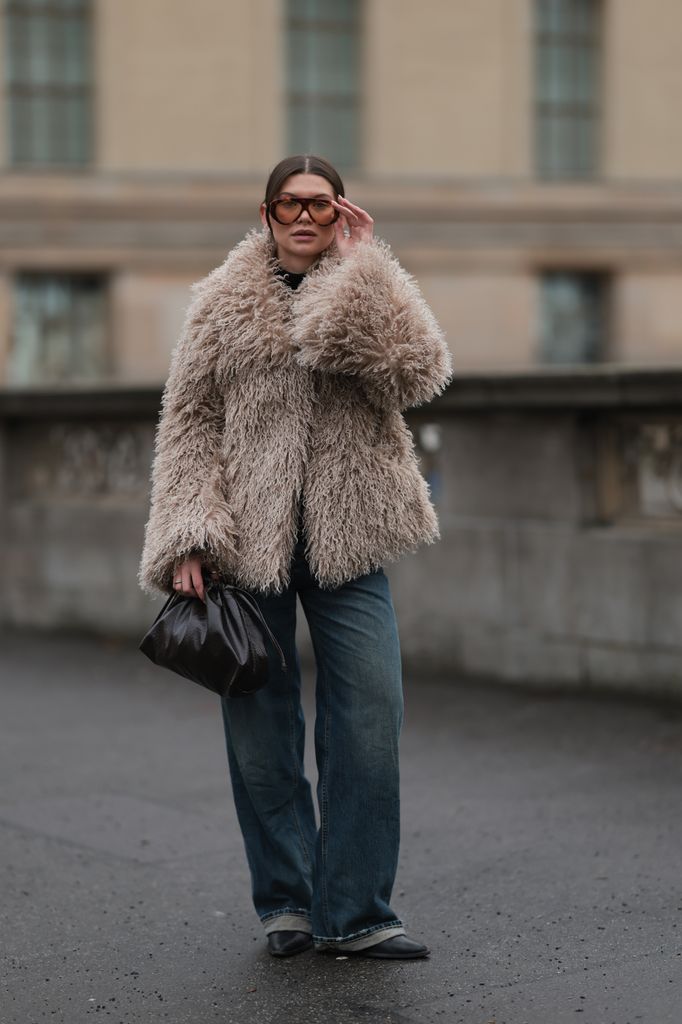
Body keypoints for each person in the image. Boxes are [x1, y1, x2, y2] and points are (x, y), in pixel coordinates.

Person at [138, 154, 453, 960]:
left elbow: (418, 372)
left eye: (319, 203)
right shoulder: (220, 301)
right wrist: (189, 533)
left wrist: (362, 273)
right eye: (289, 204)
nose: (304, 216)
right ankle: (287, 903)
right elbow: (189, 421)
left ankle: (357, 913)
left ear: (342, 211)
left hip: (351, 541)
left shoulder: (368, 282)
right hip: (248, 546)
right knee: (261, 735)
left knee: (370, 721)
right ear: (267, 213)